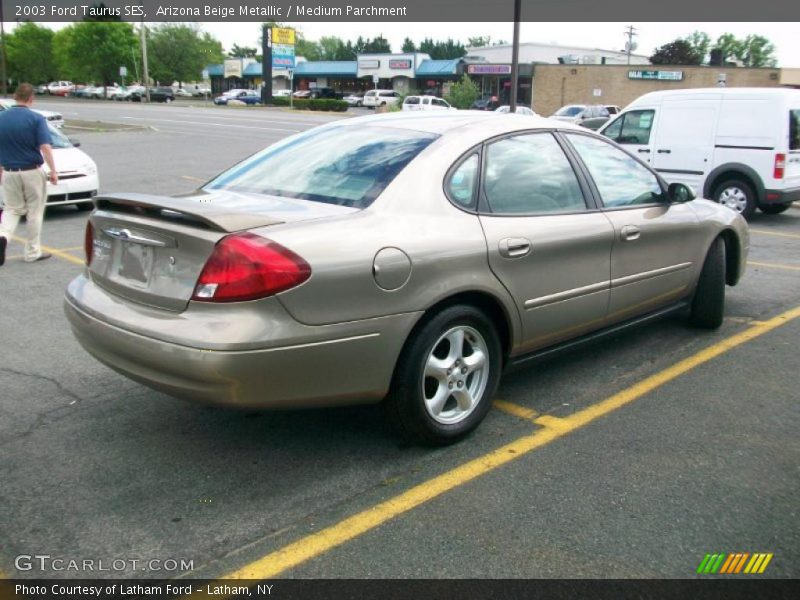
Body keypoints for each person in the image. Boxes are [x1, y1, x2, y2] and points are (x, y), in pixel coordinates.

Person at [0, 83, 58, 266]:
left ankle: (3, 237)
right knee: (35, 211)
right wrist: (53, 170)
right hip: (31, 170)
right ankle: (32, 252)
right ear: (31, 98)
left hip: (9, 171)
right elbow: (45, 147)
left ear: (14, 97)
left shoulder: (1, 118)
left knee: (11, 209)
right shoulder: (36, 119)